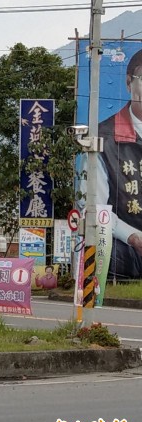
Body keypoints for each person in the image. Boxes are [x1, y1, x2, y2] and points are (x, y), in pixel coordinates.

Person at [97, 48, 142, 279]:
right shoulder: (103, 138)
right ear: (128, 83)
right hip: (127, 247)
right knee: (107, 252)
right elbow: (96, 208)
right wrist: (133, 236)